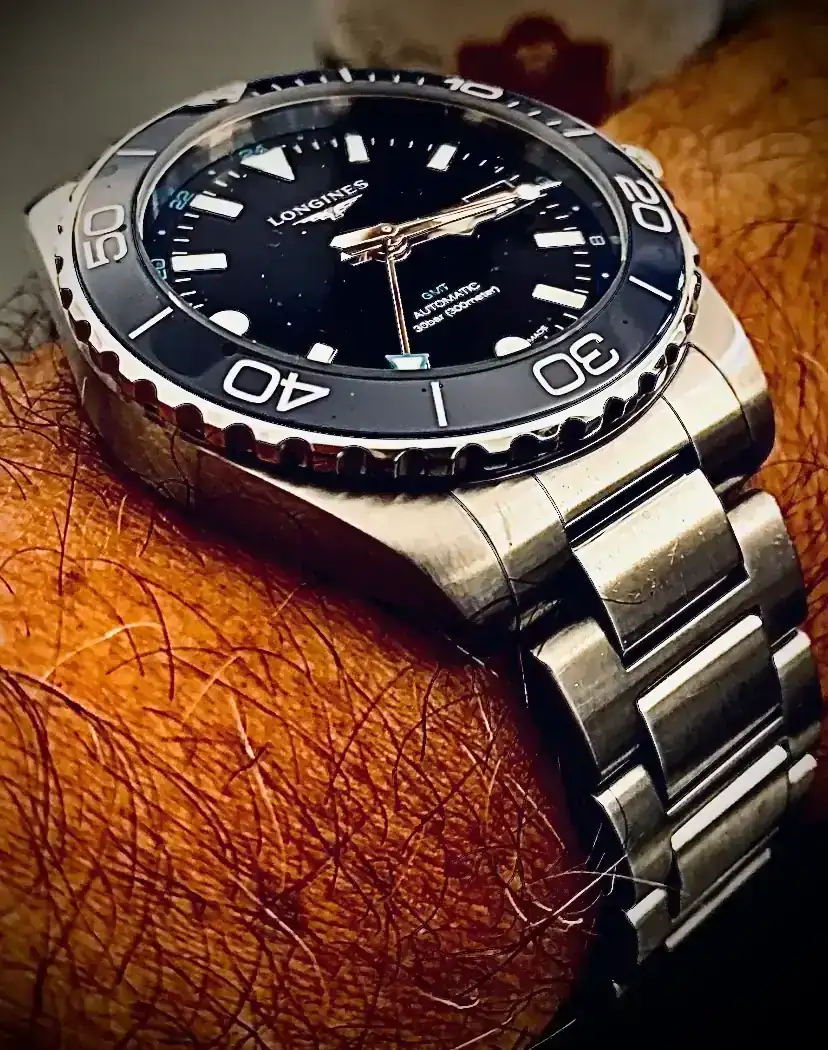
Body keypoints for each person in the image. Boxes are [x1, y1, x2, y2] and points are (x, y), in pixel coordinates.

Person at [0, 1, 825, 1045]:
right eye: (376, 241)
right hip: (463, 515)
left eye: (385, 234)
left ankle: (730, 825)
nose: (380, 238)